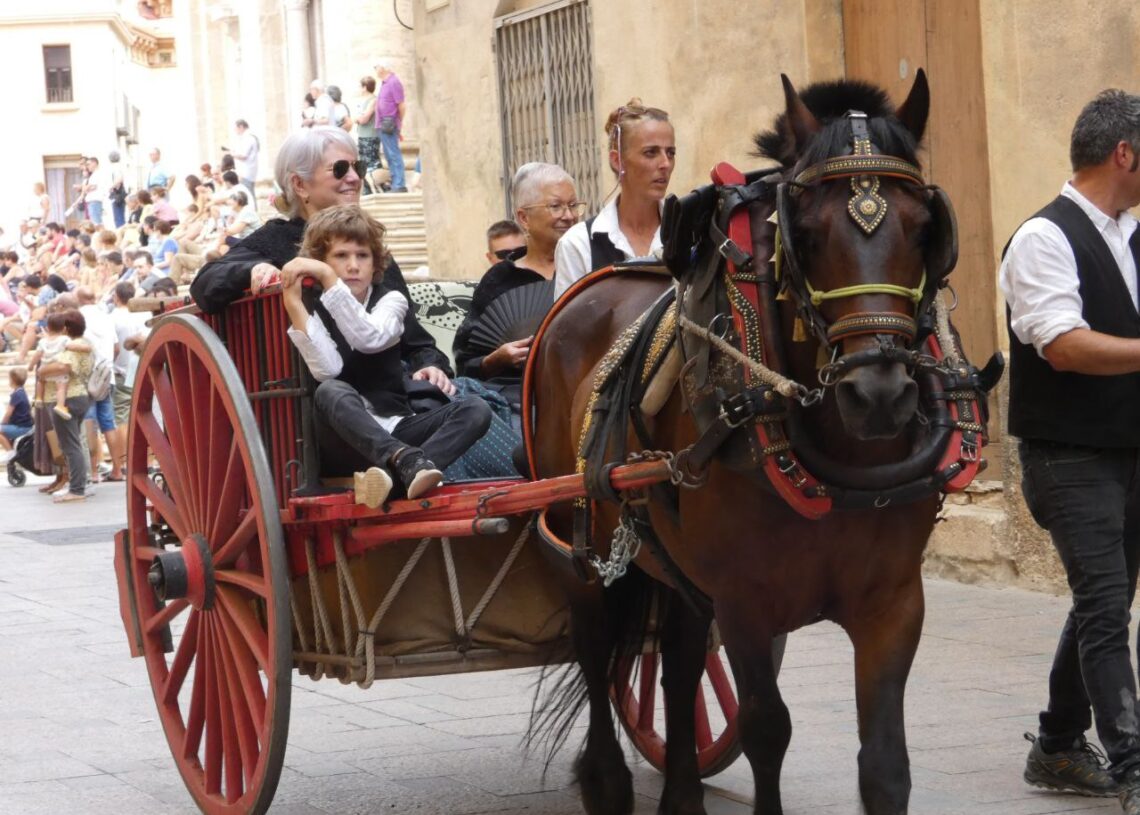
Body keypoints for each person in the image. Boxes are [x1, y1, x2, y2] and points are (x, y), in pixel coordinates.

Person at [1000, 89, 1140, 812]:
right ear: (1125, 154)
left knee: (1100, 603)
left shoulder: (1131, 232)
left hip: (1128, 452)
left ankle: (1056, 744)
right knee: (1106, 604)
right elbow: (1061, 345)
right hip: (1067, 455)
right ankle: (1132, 757)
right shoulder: (1043, 238)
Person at [189, 126, 455, 397]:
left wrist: (432, 367)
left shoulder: (368, 246)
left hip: (391, 394)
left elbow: (414, 339)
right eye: (339, 169)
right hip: (319, 401)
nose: (354, 178)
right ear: (300, 184)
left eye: (358, 167)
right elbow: (205, 284)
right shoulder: (276, 238)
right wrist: (252, 269)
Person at [281, 205, 491, 506]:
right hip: (344, 439)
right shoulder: (313, 306)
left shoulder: (391, 300)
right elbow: (328, 369)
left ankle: (397, 478)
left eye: (362, 255)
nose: (353, 266)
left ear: (375, 262)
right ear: (321, 261)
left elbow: (370, 337)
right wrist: (294, 304)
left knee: (475, 409)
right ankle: (405, 464)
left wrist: (328, 277)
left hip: (397, 425)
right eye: (341, 256)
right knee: (331, 389)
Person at [453, 163, 580, 410]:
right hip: (516, 400)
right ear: (524, 218)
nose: (569, 215)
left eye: (573, 205)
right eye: (556, 206)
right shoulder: (499, 280)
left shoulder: (589, 266)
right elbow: (465, 364)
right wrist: (495, 360)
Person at [553, 99, 676, 297]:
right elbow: (570, 326)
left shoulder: (688, 234)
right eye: (650, 152)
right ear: (617, 160)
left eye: (670, 153)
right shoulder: (579, 244)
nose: (665, 164)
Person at [36, 309, 93, 502]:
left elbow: (64, 367)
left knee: (70, 446)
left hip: (67, 398)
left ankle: (77, 489)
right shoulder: (80, 344)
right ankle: (77, 484)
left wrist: (42, 371)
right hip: (79, 396)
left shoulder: (71, 347)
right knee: (72, 444)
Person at [374, 62, 407, 192]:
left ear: (383, 68)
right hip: (383, 124)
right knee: (389, 155)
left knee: (393, 154)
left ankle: (399, 184)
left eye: (376, 66)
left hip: (389, 124)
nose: (375, 69)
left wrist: (399, 122)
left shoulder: (394, 82)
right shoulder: (385, 83)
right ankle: (396, 183)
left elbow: (402, 105)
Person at [0, 368, 34, 460]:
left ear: (13, 380)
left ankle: (10, 453)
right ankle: (11, 450)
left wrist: (2, 424)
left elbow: (8, 413)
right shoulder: (21, 391)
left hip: (22, 427)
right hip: (24, 425)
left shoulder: (16, 395)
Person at [355, 76, 381, 174]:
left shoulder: (373, 100)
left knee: (372, 163)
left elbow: (364, 119)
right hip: (364, 135)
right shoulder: (366, 100)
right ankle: (368, 187)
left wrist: (357, 119)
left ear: (365, 87)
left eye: (360, 86)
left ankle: (378, 186)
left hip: (370, 136)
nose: (359, 89)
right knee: (365, 163)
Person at [231, 119, 259, 190]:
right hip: (246, 172)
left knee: (248, 194)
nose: (235, 131)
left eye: (235, 128)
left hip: (246, 173)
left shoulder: (248, 138)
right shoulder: (246, 138)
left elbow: (243, 156)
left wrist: (232, 154)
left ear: (241, 127)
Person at [108, 150, 128, 228]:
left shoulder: (115, 167)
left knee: (118, 217)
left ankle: (120, 232)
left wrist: (112, 187)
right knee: (119, 215)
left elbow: (120, 179)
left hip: (117, 194)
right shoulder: (121, 166)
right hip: (121, 194)